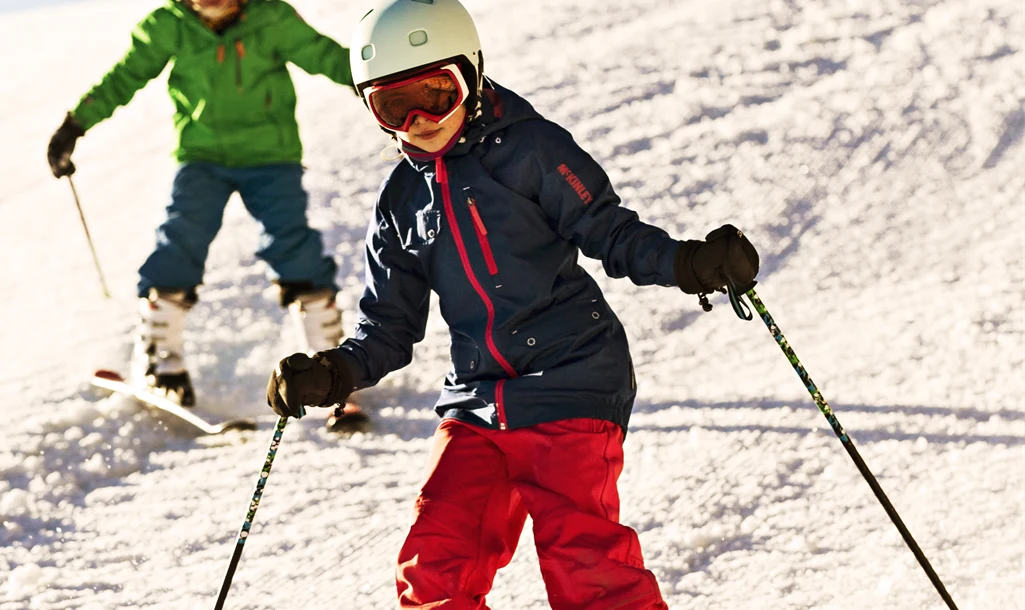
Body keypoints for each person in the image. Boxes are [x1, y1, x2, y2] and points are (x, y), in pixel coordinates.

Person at [266, 0, 759, 606]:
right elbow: (388, 328)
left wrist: (690, 264)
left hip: (571, 379)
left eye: (434, 94)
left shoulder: (531, 150)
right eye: (392, 106)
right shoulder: (400, 202)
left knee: (586, 567)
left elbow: (609, 232)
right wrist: (334, 371)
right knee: (436, 567)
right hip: (478, 401)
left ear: (470, 75)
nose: (418, 120)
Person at [46, 0, 368, 431]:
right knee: (180, 241)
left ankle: (331, 378)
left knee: (295, 250)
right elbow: (125, 77)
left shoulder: (271, 18)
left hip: (271, 157)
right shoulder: (170, 25)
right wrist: (75, 125)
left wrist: (383, 86)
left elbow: (326, 56)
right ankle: (163, 365)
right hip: (201, 159)